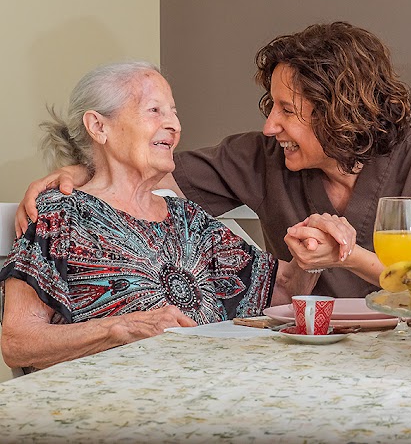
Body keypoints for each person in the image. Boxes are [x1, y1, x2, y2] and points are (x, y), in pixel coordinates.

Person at [16, 22, 411, 300]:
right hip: (301, 358)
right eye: (271, 107)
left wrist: (352, 258)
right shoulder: (261, 158)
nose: (270, 127)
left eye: (288, 111)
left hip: (407, 356)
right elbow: (145, 172)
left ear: (338, 115)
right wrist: (83, 170)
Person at [0, 62, 345, 370]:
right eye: (154, 110)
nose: (174, 125)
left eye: (174, 112)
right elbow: (18, 343)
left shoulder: (188, 219)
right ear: (98, 126)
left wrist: (311, 256)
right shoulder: (60, 217)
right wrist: (119, 329)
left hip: (211, 396)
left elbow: (283, 292)